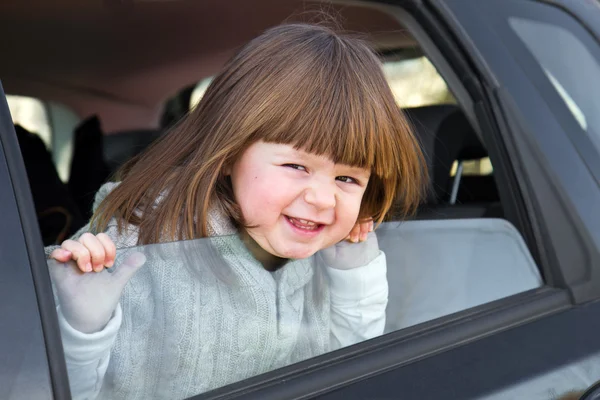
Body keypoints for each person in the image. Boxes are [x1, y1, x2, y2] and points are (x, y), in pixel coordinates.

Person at [46, 22, 427, 399]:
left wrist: (354, 274)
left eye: (347, 179)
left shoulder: (322, 255)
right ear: (229, 153)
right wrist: (82, 326)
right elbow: (56, 388)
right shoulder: (132, 243)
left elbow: (349, 372)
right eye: (296, 167)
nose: (324, 200)